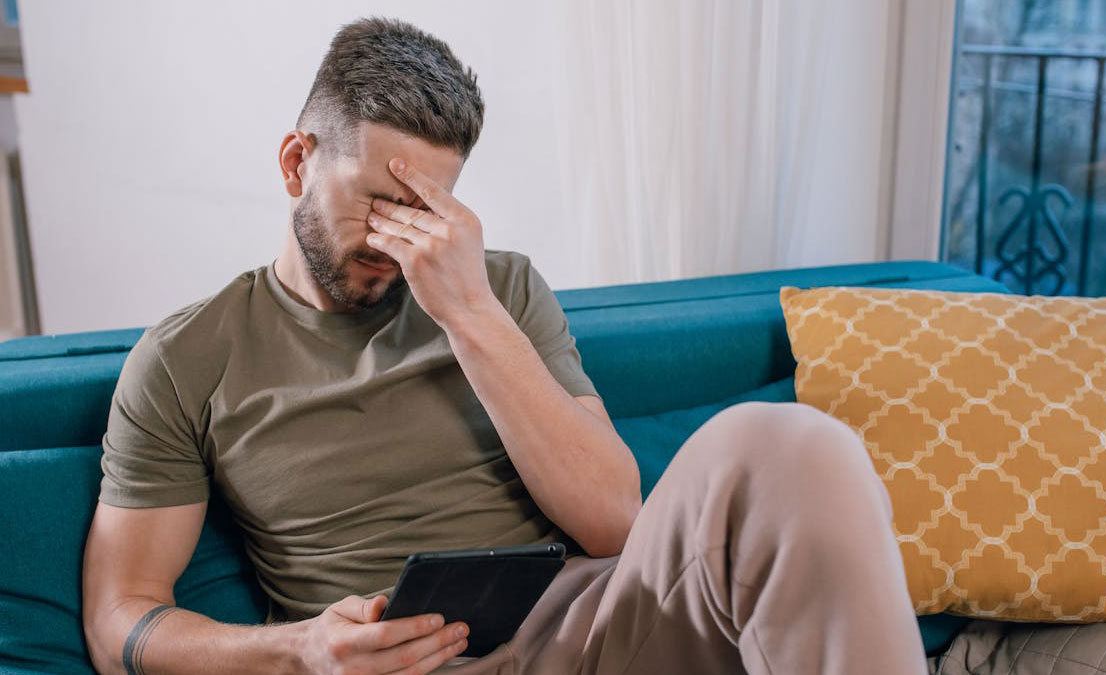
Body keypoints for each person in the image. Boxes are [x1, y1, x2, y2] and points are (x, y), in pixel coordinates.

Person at [80, 16, 926, 675]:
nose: (396, 236)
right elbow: (121, 617)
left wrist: (470, 313)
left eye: (425, 206)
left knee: (788, 444)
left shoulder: (499, 289)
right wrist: (298, 648)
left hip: (593, 631)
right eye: (377, 199)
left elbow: (613, 521)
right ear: (297, 162)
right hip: (396, 661)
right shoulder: (188, 358)